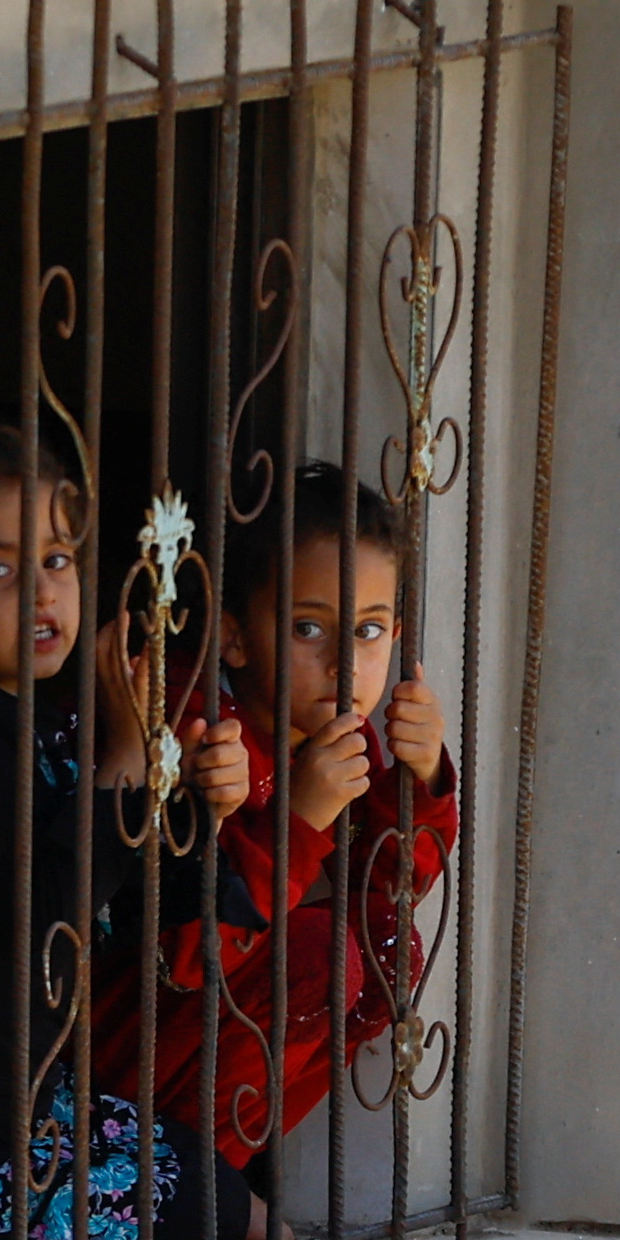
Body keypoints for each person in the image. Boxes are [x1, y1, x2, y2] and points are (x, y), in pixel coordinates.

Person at [0, 429, 253, 1240]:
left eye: (57, 558)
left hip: (51, 1114)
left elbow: (175, 903)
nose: (41, 590)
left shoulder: (65, 721)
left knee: (203, 1162)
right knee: (210, 1203)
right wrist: (123, 761)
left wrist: (197, 797)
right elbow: (39, 908)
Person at [94, 462, 457, 1196]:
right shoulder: (204, 737)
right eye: (309, 627)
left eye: (371, 630)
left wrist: (417, 782)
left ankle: (211, 1177)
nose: (344, 662)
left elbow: (390, 883)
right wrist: (301, 816)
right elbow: (196, 949)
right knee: (322, 953)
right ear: (233, 637)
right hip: (115, 1047)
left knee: (388, 947)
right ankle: (185, 1182)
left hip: (204, 1061)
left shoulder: (333, 738)